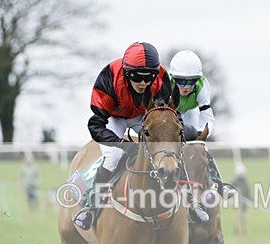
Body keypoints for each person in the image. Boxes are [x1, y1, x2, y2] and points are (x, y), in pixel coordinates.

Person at [73, 42, 208, 230]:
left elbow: (167, 113)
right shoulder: (108, 79)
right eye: (137, 77)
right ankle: (90, 207)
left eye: (148, 78)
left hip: (143, 117)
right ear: (127, 73)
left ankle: (192, 203)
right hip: (116, 119)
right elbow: (95, 124)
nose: (143, 83)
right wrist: (120, 143)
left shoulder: (161, 79)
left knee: (169, 152)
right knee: (113, 156)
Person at [168, 50, 229, 197]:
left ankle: (219, 184)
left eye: (191, 81)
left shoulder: (202, 86)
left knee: (201, 147)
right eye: (181, 81)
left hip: (190, 112)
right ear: (173, 78)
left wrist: (200, 135)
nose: (186, 87)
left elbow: (207, 116)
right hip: (169, 111)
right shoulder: (164, 84)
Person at [229, 162, 250, 236]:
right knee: (240, 217)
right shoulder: (234, 181)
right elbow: (229, 190)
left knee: (242, 217)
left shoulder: (245, 181)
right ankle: (238, 230)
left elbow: (247, 191)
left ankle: (240, 229)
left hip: (244, 204)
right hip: (237, 203)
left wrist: (251, 200)